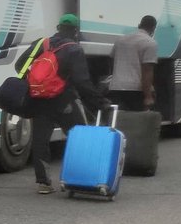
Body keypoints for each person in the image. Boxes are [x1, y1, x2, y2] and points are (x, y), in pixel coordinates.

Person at [15, 13, 110, 194]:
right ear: (75, 31)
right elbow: (82, 82)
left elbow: (20, 65)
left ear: (58, 28)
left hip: (40, 100)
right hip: (64, 101)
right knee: (79, 137)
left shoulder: (41, 44)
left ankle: (43, 183)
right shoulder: (74, 49)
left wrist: (37, 81)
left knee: (40, 140)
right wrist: (100, 102)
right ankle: (83, 178)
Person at [110, 15, 159, 111]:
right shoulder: (150, 43)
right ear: (153, 28)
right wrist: (148, 96)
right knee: (137, 121)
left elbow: (113, 61)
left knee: (118, 120)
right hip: (136, 90)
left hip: (116, 87)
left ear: (139, 25)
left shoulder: (120, 40)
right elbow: (147, 71)